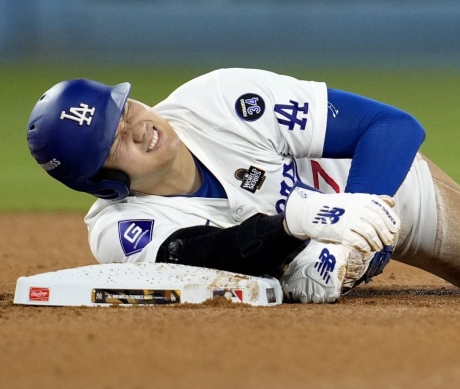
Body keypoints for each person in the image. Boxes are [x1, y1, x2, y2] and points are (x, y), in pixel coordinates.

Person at [26, 68, 460, 303]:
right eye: (113, 139)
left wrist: (349, 233)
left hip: (388, 186)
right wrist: (293, 227)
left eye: (122, 109)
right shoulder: (119, 230)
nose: (137, 126)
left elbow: (391, 126)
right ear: (103, 183)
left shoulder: (220, 100)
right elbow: (211, 256)